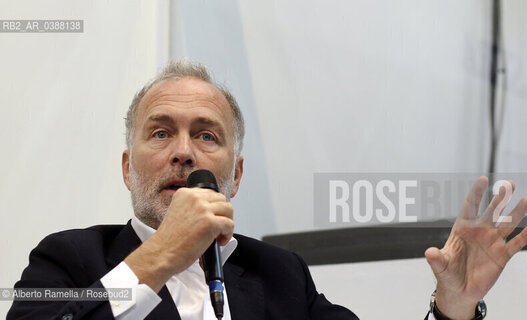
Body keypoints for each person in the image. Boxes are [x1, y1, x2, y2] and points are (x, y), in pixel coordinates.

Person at [8, 60, 527, 320]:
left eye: (206, 135)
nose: (184, 152)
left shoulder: (280, 276)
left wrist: (451, 307)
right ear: (127, 168)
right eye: (162, 132)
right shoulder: (68, 258)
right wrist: (163, 254)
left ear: (235, 176)